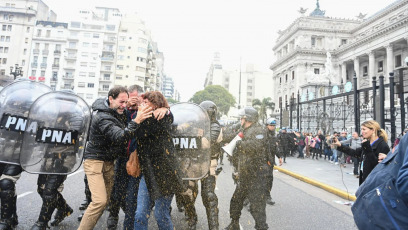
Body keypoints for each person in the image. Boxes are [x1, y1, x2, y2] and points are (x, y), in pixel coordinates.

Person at [78, 86, 153, 230]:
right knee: (99, 201)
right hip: (95, 161)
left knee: (106, 201)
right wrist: (137, 120)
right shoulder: (102, 117)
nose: (124, 106)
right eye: (121, 102)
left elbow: (130, 116)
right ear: (111, 99)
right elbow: (120, 136)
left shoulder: (117, 110)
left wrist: (164, 110)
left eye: (126, 102)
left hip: (109, 162)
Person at [133, 91, 186, 230]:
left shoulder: (160, 118)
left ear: (155, 105)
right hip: (148, 173)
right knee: (140, 214)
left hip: (166, 174)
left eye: (145, 103)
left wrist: (166, 111)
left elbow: (139, 131)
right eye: (141, 102)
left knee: (161, 214)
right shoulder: (142, 118)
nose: (141, 105)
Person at [224, 106, 269, 230]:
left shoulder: (259, 130)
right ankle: (234, 224)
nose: (241, 120)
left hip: (256, 175)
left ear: (248, 119)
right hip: (245, 174)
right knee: (236, 201)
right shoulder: (244, 129)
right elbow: (230, 137)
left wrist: (238, 144)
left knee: (257, 207)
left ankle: (261, 227)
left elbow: (255, 146)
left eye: (242, 118)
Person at [179, 101, 222, 230]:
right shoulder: (194, 123)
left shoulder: (215, 126)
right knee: (186, 193)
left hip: (208, 164)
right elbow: (180, 130)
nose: (202, 115)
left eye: (205, 112)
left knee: (209, 196)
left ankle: (213, 227)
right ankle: (192, 218)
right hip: (192, 163)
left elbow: (206, 143)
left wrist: (192, 133)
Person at [106, 85, 144, 230]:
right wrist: (126, 108)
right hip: (121, 157)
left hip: (137, 160)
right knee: (116, 192)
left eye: (135, 98)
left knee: (131, 197)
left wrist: (142, 108)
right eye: (130, 98)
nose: (132, 101)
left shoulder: (145, 111)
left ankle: (128, 224)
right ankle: (113, 215)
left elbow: (166, 117)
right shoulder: (122, 111)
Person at [332, 120, 390, 185]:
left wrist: (367, 147)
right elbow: (355, 153)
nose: (362, 132)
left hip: (374, 184)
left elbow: (377, 165)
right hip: (364, 180)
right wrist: (339, 145)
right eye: (361, 129)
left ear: (373, 130)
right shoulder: (368, 143)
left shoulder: (382, 145)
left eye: (364, 129)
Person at [265, 117, 283, 206]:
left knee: (269, 179)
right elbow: (264, 149)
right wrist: (267, 159)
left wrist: (279, 157)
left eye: (274, 125)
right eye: (271, 125)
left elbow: (275, 147)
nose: (272, 127)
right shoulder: (263, 135)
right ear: (267, 125)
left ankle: (267, 196)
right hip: (263, 161)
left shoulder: (274, 136)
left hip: (270, 161)